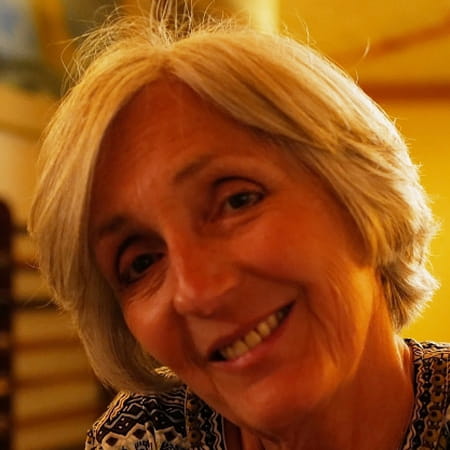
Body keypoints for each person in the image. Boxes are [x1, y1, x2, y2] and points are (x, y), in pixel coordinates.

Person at [28, 6, 450, 450]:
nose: (197, 292)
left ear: (359, 192)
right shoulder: (143, 436)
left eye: (237, 201)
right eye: (142, 262)